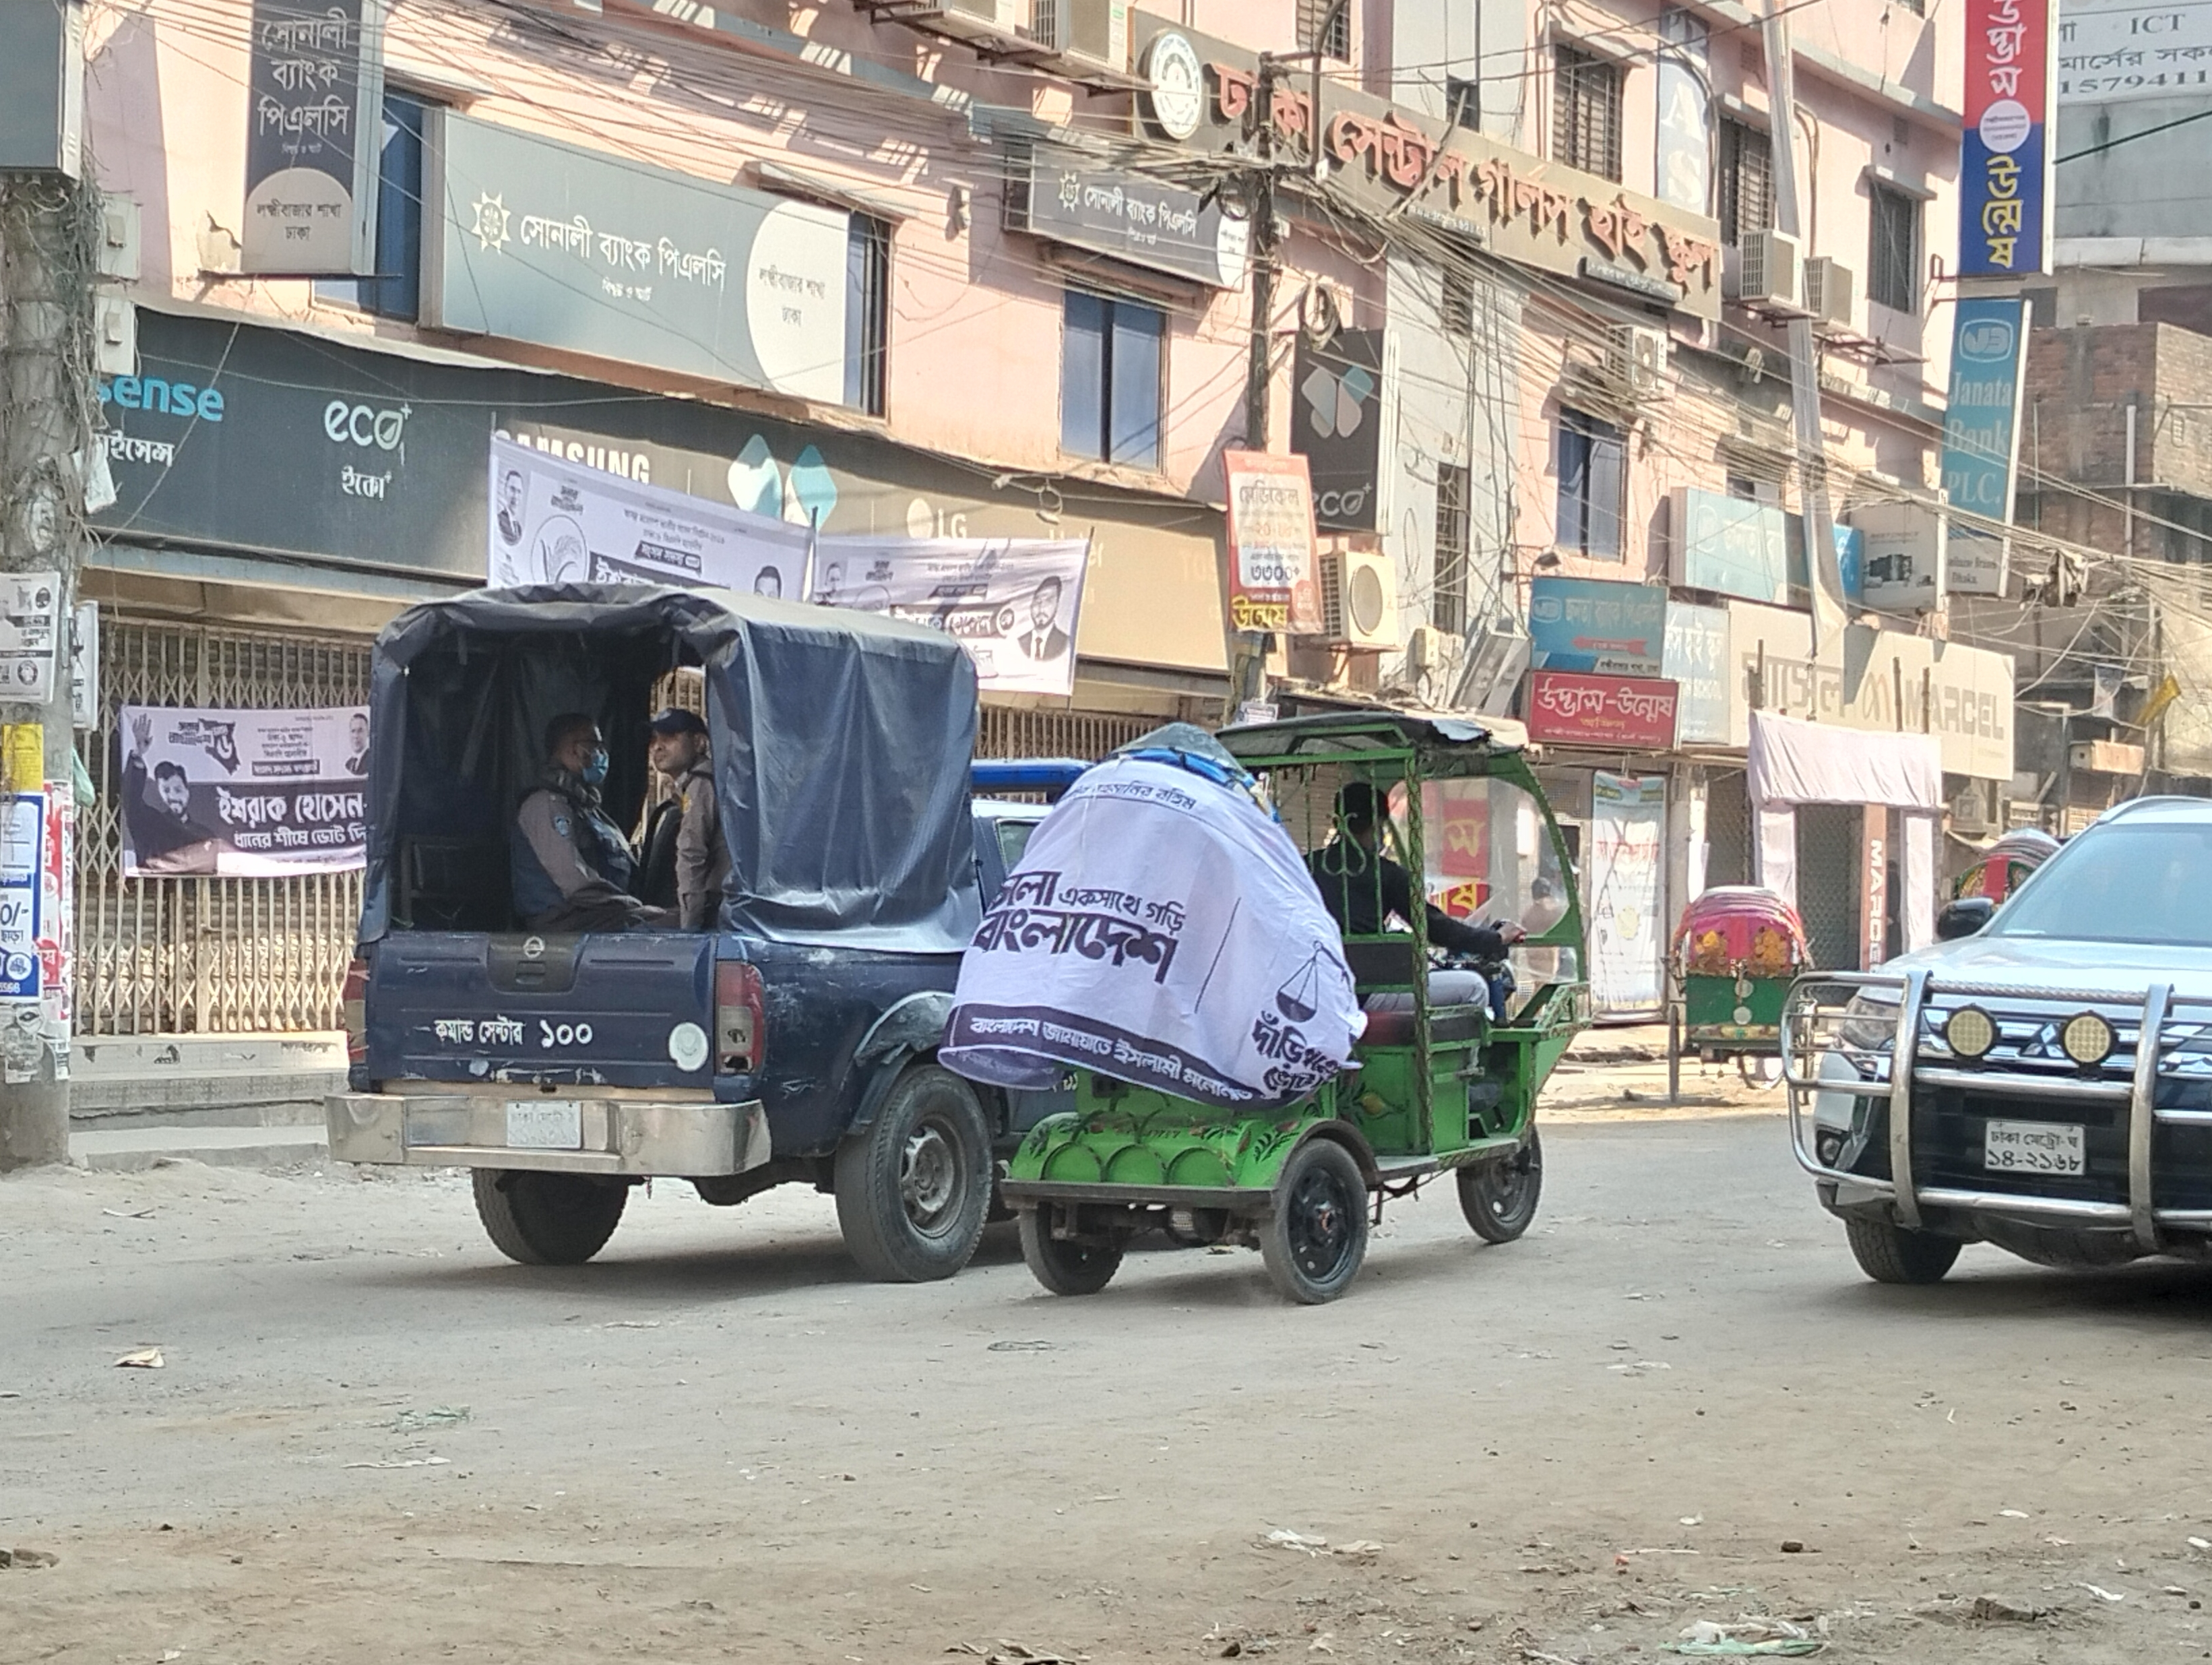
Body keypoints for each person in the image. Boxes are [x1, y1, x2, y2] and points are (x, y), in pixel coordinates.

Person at [1308, 782, 1524, 1011]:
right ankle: (1446, 1048)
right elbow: (1435, 928)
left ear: (1336, 822)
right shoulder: (1386, 873)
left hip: (1314, 988)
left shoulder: (1306, 866)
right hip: (1362, 992)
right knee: (1475, 987)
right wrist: (1496, 938)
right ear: (1379, 823)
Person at [511, 714, 670, 933]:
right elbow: (574, 882)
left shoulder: (585, 809)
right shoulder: (545, 805)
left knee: (683, 917)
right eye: (594, 745)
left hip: (598, 916)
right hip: (564, 923)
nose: (602, 754)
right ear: (573, 750)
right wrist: (629, 904)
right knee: (679, 926)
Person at [638, 708, 729, 931]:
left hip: (717, 908)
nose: (657, 747)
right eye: (654, 740)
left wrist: (689, 928)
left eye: (670, 738)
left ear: (699, 743)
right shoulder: (697, 786)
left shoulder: (702, 784)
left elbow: (692, 855)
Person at [119, 711, 224, 874]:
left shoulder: (206, 835)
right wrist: (138, 756)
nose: (173, 797)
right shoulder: (149, 822)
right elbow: (131, 800)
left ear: (187, 790)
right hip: (150, 892)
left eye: (178, 790)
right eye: (166, 790)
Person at [1019, 575, 1070, 661]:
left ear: (1057, 604)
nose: (1041, 607)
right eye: (1037, 600)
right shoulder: (1018, 643)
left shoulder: (1066, 644)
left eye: (1049, 601)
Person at [344, 712, 370, 776]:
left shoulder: (371, 760)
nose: (356, 736)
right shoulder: (348, 764)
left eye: (360, 731)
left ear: (368, 733)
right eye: (353, 731)